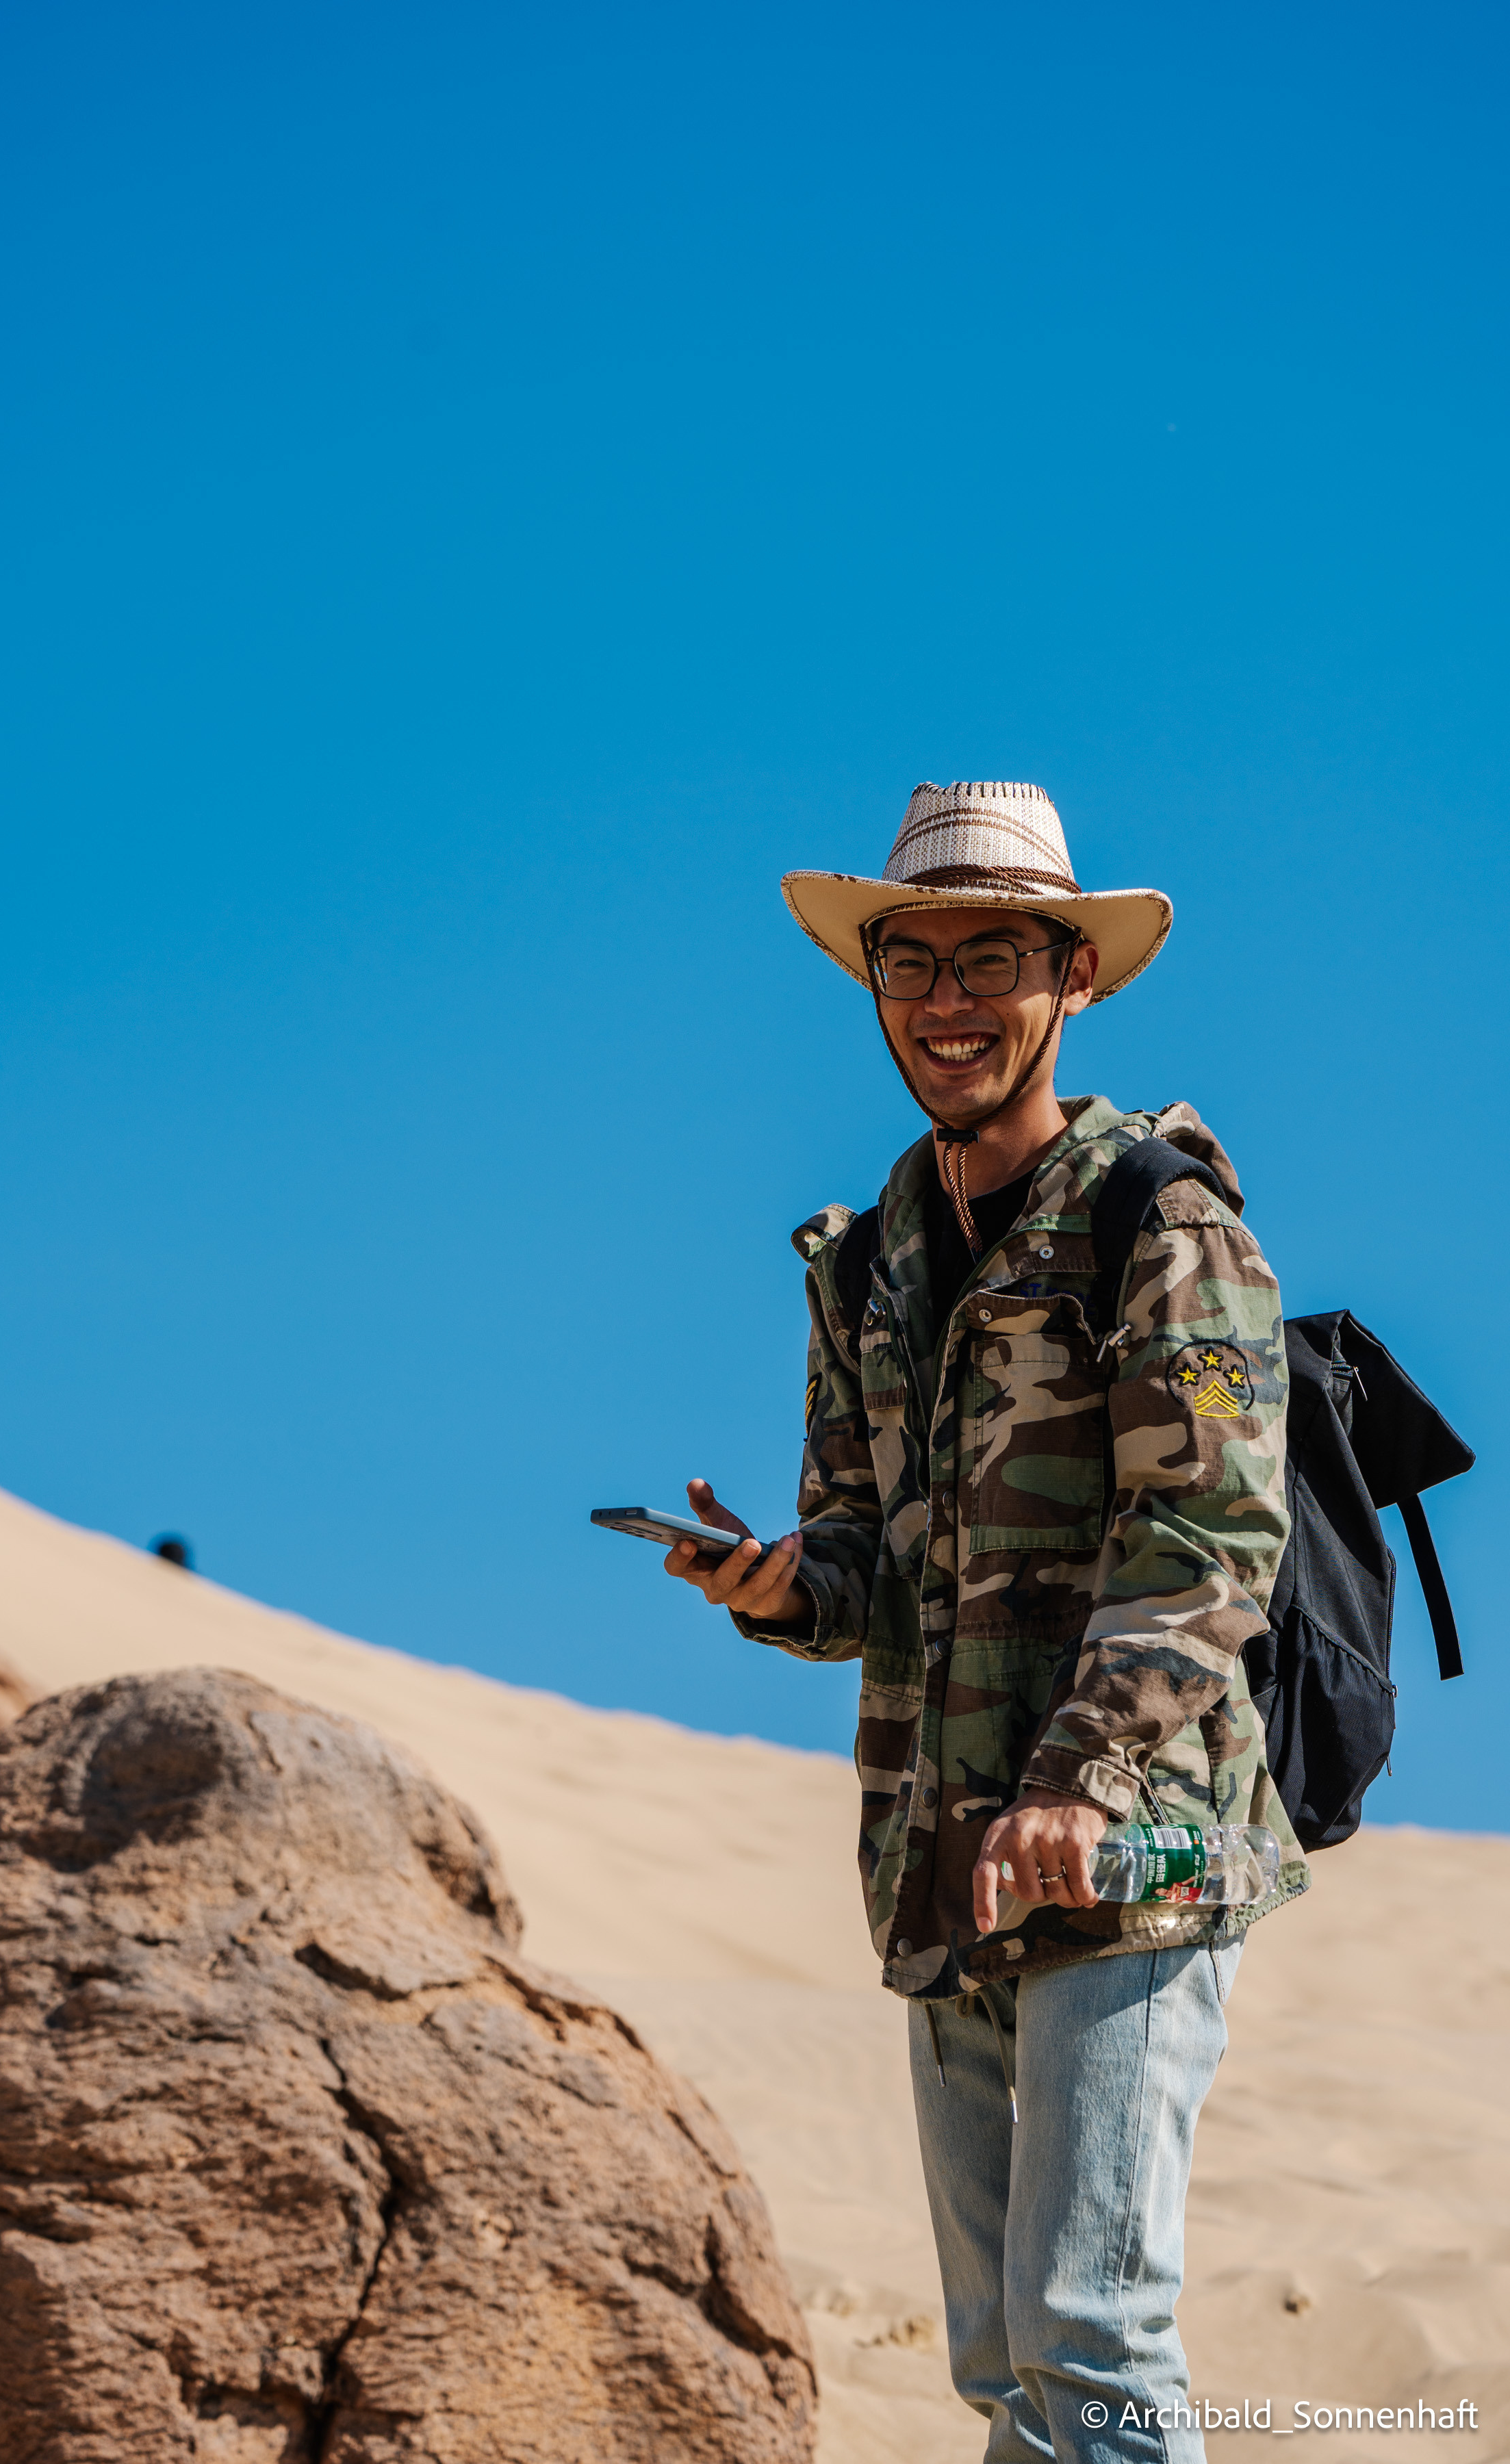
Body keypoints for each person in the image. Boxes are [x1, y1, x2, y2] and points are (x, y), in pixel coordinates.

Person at [664, 780, 1307, 2464]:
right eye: (915, 962)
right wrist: (785, 1587)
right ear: (874, 986)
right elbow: (871, 1552)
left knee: (1092, 2342)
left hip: (1135, 1845)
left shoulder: (1160, 1220)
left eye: (993, 959)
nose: (951, 1000)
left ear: (1069, 981)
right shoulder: (863, 1258)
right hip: (937, 1850)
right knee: (998, 2365)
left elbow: (1213, 1529)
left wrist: (1081, 1781)